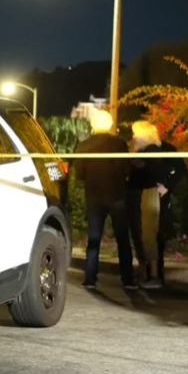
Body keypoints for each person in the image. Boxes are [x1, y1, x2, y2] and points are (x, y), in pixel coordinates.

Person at [73, 108, 135, 289]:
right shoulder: (119, 145)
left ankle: (90, 279)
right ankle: (128, 279)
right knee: (123, 239)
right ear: (110, 125)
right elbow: (127, 170)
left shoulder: (84, 145)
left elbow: (80, 174)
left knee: (94, 239)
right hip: (117, 196)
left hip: (94, 196)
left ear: (93, 125)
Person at [126, 121, 186, 289]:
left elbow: (180, 170)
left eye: (136, 133)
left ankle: (153, 274)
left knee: (151, 236)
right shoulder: (138, 151)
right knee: (141, 234)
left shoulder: (162, 150)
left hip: (150, 196)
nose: (133, 137)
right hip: (136, 195)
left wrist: (167, 186)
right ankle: (145, 272)